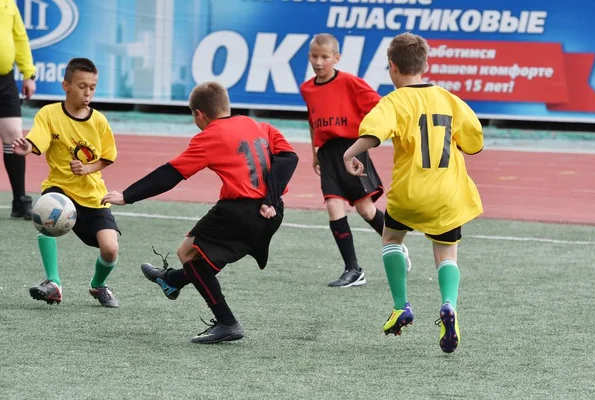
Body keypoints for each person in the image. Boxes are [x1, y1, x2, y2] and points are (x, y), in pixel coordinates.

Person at [101, 81, 299, 344]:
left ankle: (227, 322)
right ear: (227, 105)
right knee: (204, 259)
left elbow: (171, 174)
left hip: (239, 210)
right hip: (273, 212)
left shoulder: (209, 136)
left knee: (187, 253)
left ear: (198, 114)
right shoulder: (260, 125)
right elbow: (289, 157)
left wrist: (127, 195)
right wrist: (270, 198)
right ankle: (171, 281)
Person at [343, 32, 484, 354]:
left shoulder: (393, 101)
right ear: (425, 64)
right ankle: (449, 305)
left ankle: (400, 306)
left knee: (392, 240)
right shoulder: (449, 99)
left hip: (409, 194)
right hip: (448, 194)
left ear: (392, 66)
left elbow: (373, 133)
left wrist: (349, 154)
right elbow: (475, 142)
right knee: (446, 254)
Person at [300, 33, 409, 288]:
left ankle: (397, 246)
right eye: (314, 56)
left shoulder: (350, 82)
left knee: (365, 209)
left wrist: (372, 134)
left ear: (336, 58)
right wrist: (315, 152)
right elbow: (312, 119)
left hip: (352, 150)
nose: (318, 62)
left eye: (325, 57)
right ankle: (353, 270)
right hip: (327, 153)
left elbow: (380, 106)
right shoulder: (307, 88)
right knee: (333, 207)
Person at [12, 58, 121, 308]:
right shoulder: (49, 114)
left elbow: (107, 158)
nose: (88, 92)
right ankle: (53, 284)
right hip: (59, 189)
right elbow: (36, 141)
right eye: (82, 86)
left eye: (92, 87)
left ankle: (98, 286)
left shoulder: (99, 122)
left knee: (110, 249)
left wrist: (87, 168)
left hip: (93, 194)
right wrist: (26, 147)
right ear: (66, 85)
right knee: (45, 217)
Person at [1, 0, 37, 219]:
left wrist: (28, 73)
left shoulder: (8, 2)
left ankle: (20, 202)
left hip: (5, 80)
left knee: (14, 138)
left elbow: (20, 38)